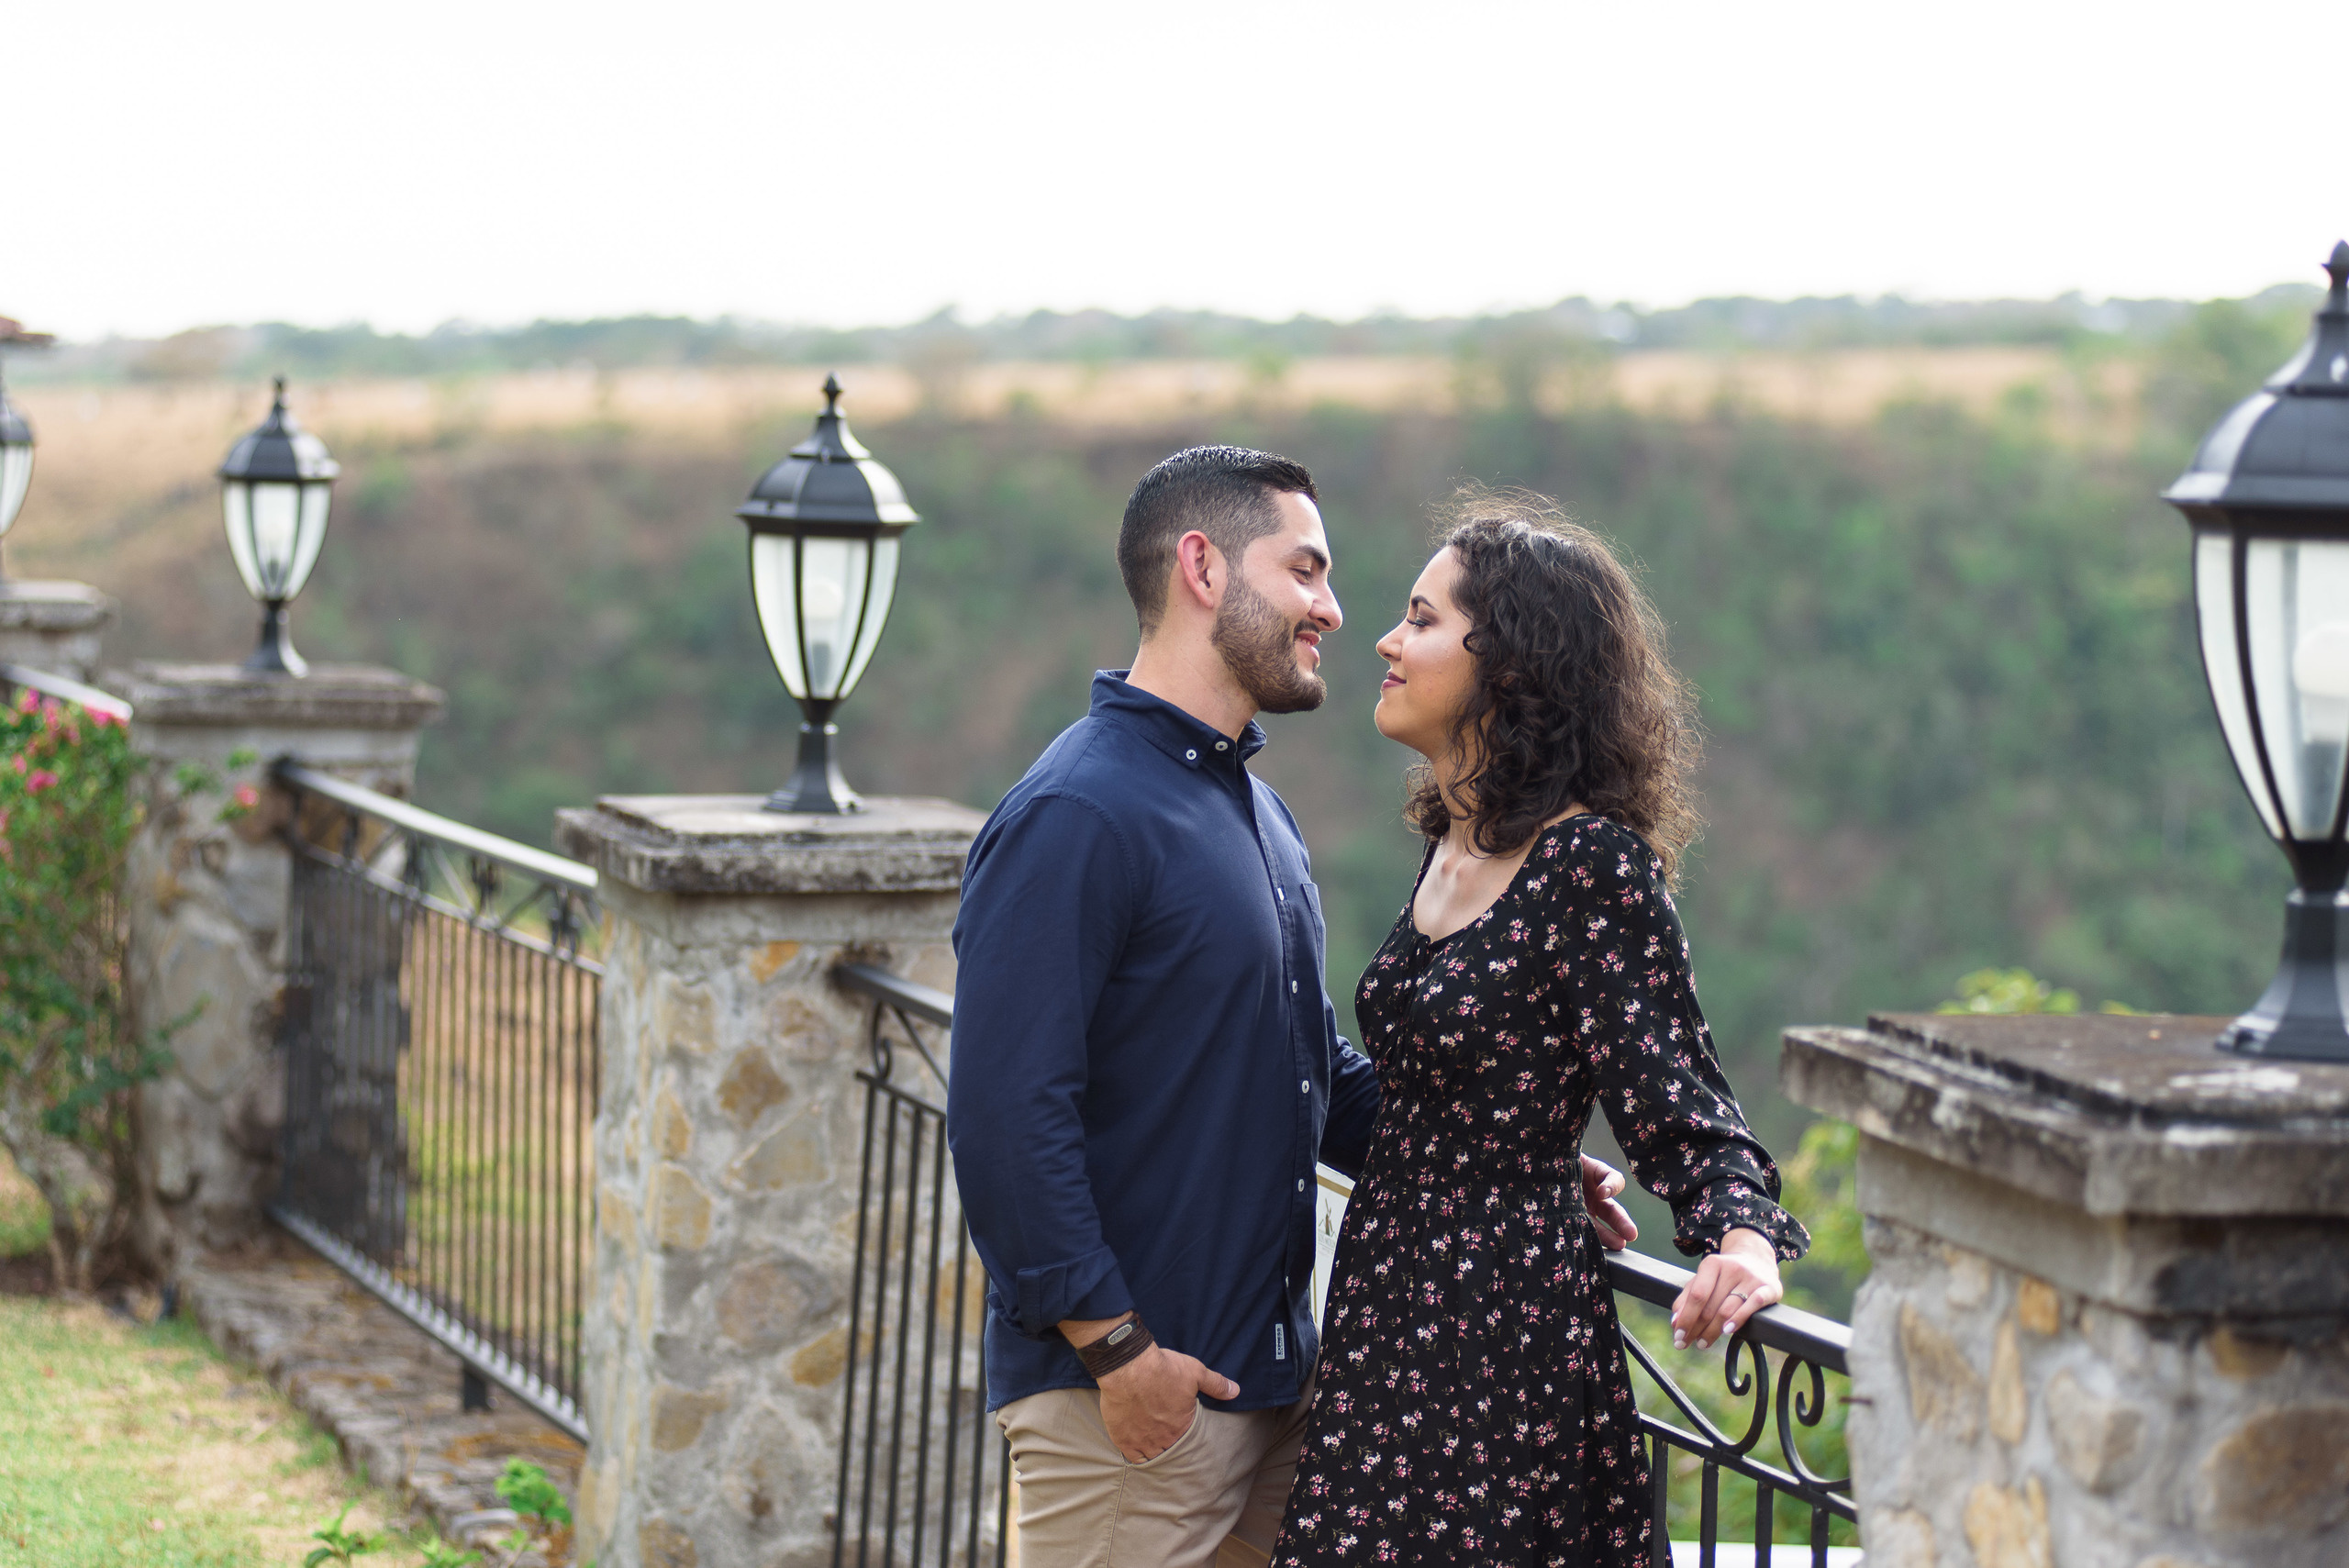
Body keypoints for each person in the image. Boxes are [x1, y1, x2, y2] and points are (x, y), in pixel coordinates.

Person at [948, 450, 1635, 1568]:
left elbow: (1309, 1069)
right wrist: (1117, 1350)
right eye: (1305, 570)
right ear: (1203, 567)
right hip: (1133, 1406)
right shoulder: (1078, 811)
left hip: (1271, 1389)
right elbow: (1003, 1114)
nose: (1332, 608)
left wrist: (1506, 1162)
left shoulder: (1256, 814)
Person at [1272, 489, 1809, 1568]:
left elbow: (1683, 1104)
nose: (1385, 639)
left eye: (1421, 619)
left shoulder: (1588, 865)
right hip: (1385, 1321)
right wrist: (1515, 1151)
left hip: (1497, 1349)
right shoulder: (1452, 841)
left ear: (1510, 665)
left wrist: (1743, 1242)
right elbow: (1454, 1087)